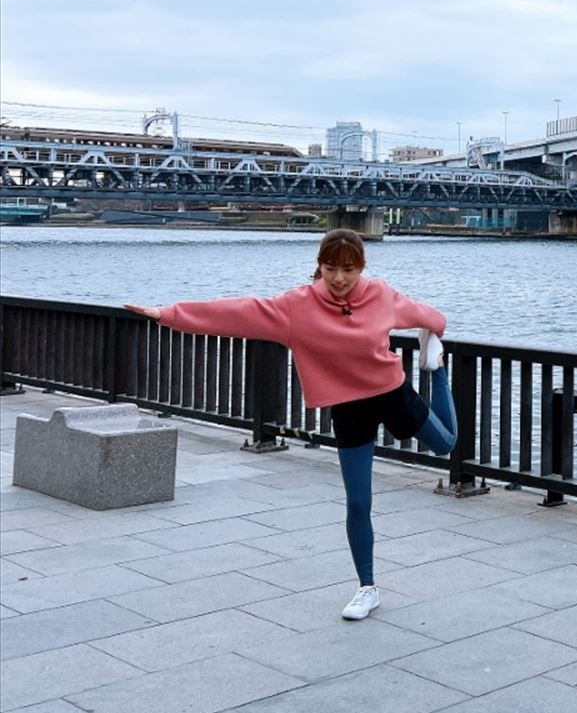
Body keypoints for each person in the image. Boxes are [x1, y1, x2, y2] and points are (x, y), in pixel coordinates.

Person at [124, 228, 456, 621]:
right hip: (349, 407)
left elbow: (428, 316)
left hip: (392, 391)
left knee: (445, 445)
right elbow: (236, 313)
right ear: (319, 265)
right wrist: (168, 315)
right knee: (357, 501)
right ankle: (367, 588)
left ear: (361, 268)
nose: (338, 278)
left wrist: (436, 330)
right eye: (330, 268)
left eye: (348, 270)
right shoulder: (295, 308)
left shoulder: (381, 295)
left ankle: (436, 371)